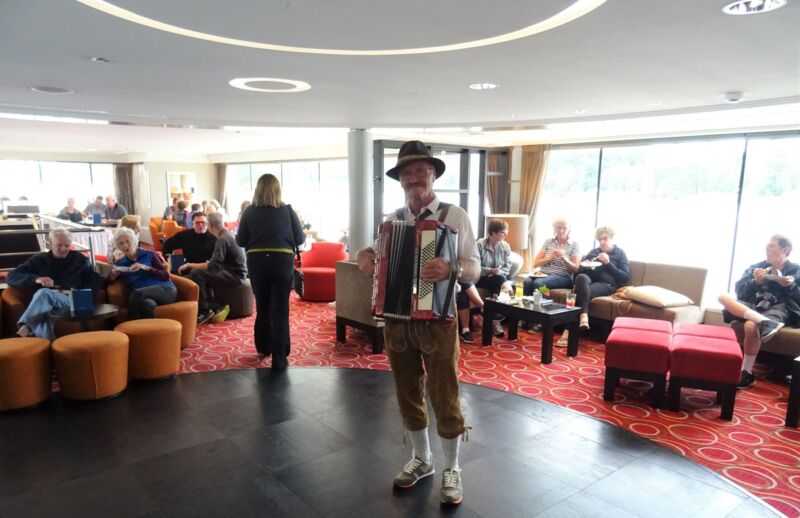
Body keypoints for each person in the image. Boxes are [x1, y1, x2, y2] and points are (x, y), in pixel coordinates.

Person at [356, 141, 480, 506]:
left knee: (445, 392)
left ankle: (452, 468)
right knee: (406, 391)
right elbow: (375, 253)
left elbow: (475, 266)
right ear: (400, 180)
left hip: (438, 321)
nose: (414, 178)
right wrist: (364, 255)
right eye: (407, 172)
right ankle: (422, 459)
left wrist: (451, 268)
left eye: (421, 170)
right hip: (397, 320)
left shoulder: (454, 215)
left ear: (433, 174)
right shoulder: (393, 220)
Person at [236, 174, 305, 370]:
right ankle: (279, 357)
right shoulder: (288, 211)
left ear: (257, 190)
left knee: (263, 306)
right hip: (281, 261)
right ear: (277, 189)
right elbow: (300, 239)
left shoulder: (249, 212)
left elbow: (240, 240)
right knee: (280, 309)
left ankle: (264, 346)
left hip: (257, 262)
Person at [719, 234, 800, 389]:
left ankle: (747, 373)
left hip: (780, 308)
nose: (766, 249)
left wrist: (790, 286)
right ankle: (764, 322)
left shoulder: (796, 271)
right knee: (723, 297)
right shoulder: (756, 267)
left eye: (771, 246)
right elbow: (740, 291)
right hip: (754, 306)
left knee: (751, 326)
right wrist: (755, 281)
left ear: (785, 250)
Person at [8, 228, 102, 340]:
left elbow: (94, 279)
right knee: (43, 313)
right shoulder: (39, 260)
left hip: (70, 299)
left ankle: (25, 328)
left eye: (67, 245)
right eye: (59, 245)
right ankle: (49, 346)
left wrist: (84, 295)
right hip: (46, 302)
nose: (63, 249)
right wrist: (36, 279)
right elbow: (12, 276)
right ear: (51, 243)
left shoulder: (79, 259)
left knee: (44, 293)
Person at [557, 226, 630, 347]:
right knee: (581, 278)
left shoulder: (619, 253)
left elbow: (625, 277)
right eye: (600, 239)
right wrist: (585, 265)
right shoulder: (594, 252)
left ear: (612, 239)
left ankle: (568, 331)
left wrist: (608, 263)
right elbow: (578, 273)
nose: (602, 242)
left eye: (605, 239)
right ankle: (583, 316)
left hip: (606, 284)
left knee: (579, 294)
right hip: (587, 281)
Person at [181, 211, 247, 324]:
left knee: (196, 273)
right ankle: (215, 307)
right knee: (202, 274)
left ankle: (206, 310)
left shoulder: (222, 239)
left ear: (210, 226)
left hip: (235, 275)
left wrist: (189, 264)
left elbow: (212, 265)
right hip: (237, 271)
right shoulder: (229, 234)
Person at [456, 219, 512, 343]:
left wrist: (497, 272)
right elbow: (474, 267)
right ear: (493, 233)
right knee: (463, 288)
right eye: (503, 232)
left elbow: (507, 268)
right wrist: (489, 271)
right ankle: (467, 328)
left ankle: (496, 318)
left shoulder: (505, 246)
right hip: (478, 277)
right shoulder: (479, 245)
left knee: (501, 280)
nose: (506, 234)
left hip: (495, 277)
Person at [108, 228, 177, 320]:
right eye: (121, 243)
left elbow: (165, 276)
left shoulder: (149, 254)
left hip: (165, 290)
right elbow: (107, 282)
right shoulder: (120, 263)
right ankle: (151, 329)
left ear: (134, 241)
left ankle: (130, 326)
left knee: (136, 293)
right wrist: (112, 276)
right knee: (147, 304)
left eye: (128, 241)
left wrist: (145, 268)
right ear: (118, 247)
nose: (125, 245)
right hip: (145, 297)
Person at [523, 218, 580, 295]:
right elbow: (535, 264)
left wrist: (563, 258)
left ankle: (544, 301)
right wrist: (550, 258)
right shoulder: (548, 241)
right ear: (554, 228)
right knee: (527, 282)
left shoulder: (574, 244)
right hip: (544, 274)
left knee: (539, 283)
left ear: (569, 229)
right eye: (558, 228)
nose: (561, 230)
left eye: (564, 228)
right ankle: (529, 302)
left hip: (563, 277)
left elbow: (575, 269)